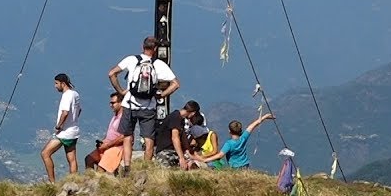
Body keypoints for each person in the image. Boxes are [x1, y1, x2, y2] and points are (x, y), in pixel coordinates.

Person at [108, 36, 179, 175]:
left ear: (142, 46)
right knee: (148, 138)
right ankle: (146, 169)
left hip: (129, 104)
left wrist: (121, 91)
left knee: (128, 136)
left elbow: (112, 73)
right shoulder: (158, 64)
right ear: (155, 49)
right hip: (149, 106)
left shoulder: (132, 60)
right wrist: (162, 95)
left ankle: (127, 167)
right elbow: (176, 84)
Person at [194, 112, 275, 170]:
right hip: (245, 165)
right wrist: (264, 117)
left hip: (235, 167)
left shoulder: (229, 144)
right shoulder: (243, 138)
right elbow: (252, 126)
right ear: (240, 130)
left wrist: (205, 160)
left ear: (229, 131)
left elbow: (220, 155)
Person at [41, 73, 81, 182]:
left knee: (45, 153)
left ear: (63, 84)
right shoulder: (75, 94)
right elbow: (79, 110)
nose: (55, 86)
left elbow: (65, 112)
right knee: (72, 159)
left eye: (56, 83)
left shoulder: (66, 95)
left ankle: (52, 182)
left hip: (65, 133)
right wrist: (73, 121)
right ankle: (73, 182)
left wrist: (58, 126)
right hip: (74, 131)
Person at [84, 92, 126, 174]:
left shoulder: (124, 118)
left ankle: (99, 180)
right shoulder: (115, 116)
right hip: (107, 146)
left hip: (117, 148)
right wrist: (102, 143)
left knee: (100, 169)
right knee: (89, 159)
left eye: (113, 103)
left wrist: (107, 145)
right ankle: (90, 178)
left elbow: (124, 137)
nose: (111, 105)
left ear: (121, 103)